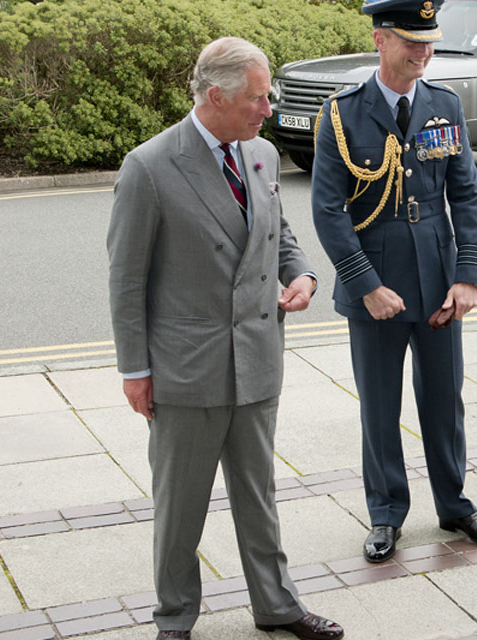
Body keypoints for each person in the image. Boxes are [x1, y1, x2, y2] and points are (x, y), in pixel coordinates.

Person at [107, 37, 343, 640]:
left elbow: (278, 231)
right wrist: (135, 370)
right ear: (217, 96)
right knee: (181, 508)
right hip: (187, 370)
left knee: (258, 498)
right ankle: (175, 619)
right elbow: (126, 280)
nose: (269, 108)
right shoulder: (150, 166)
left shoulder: (261, 154)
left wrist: (304, 274)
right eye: (259, 99)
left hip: (258, 359)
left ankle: (277, 605)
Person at [310, 0, 477, 563]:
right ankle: (386, 513)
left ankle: (456, 504)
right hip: (375, 285)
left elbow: (466, 193)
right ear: (379, 40)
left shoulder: (445, 105)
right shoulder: (343, 113)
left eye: (429, 43)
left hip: (438, 280)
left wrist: (469, 276)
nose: (424, 53)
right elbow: (328, 209)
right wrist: (365, 283)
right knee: (379, 404)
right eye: (410, 42)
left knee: (445, 400)